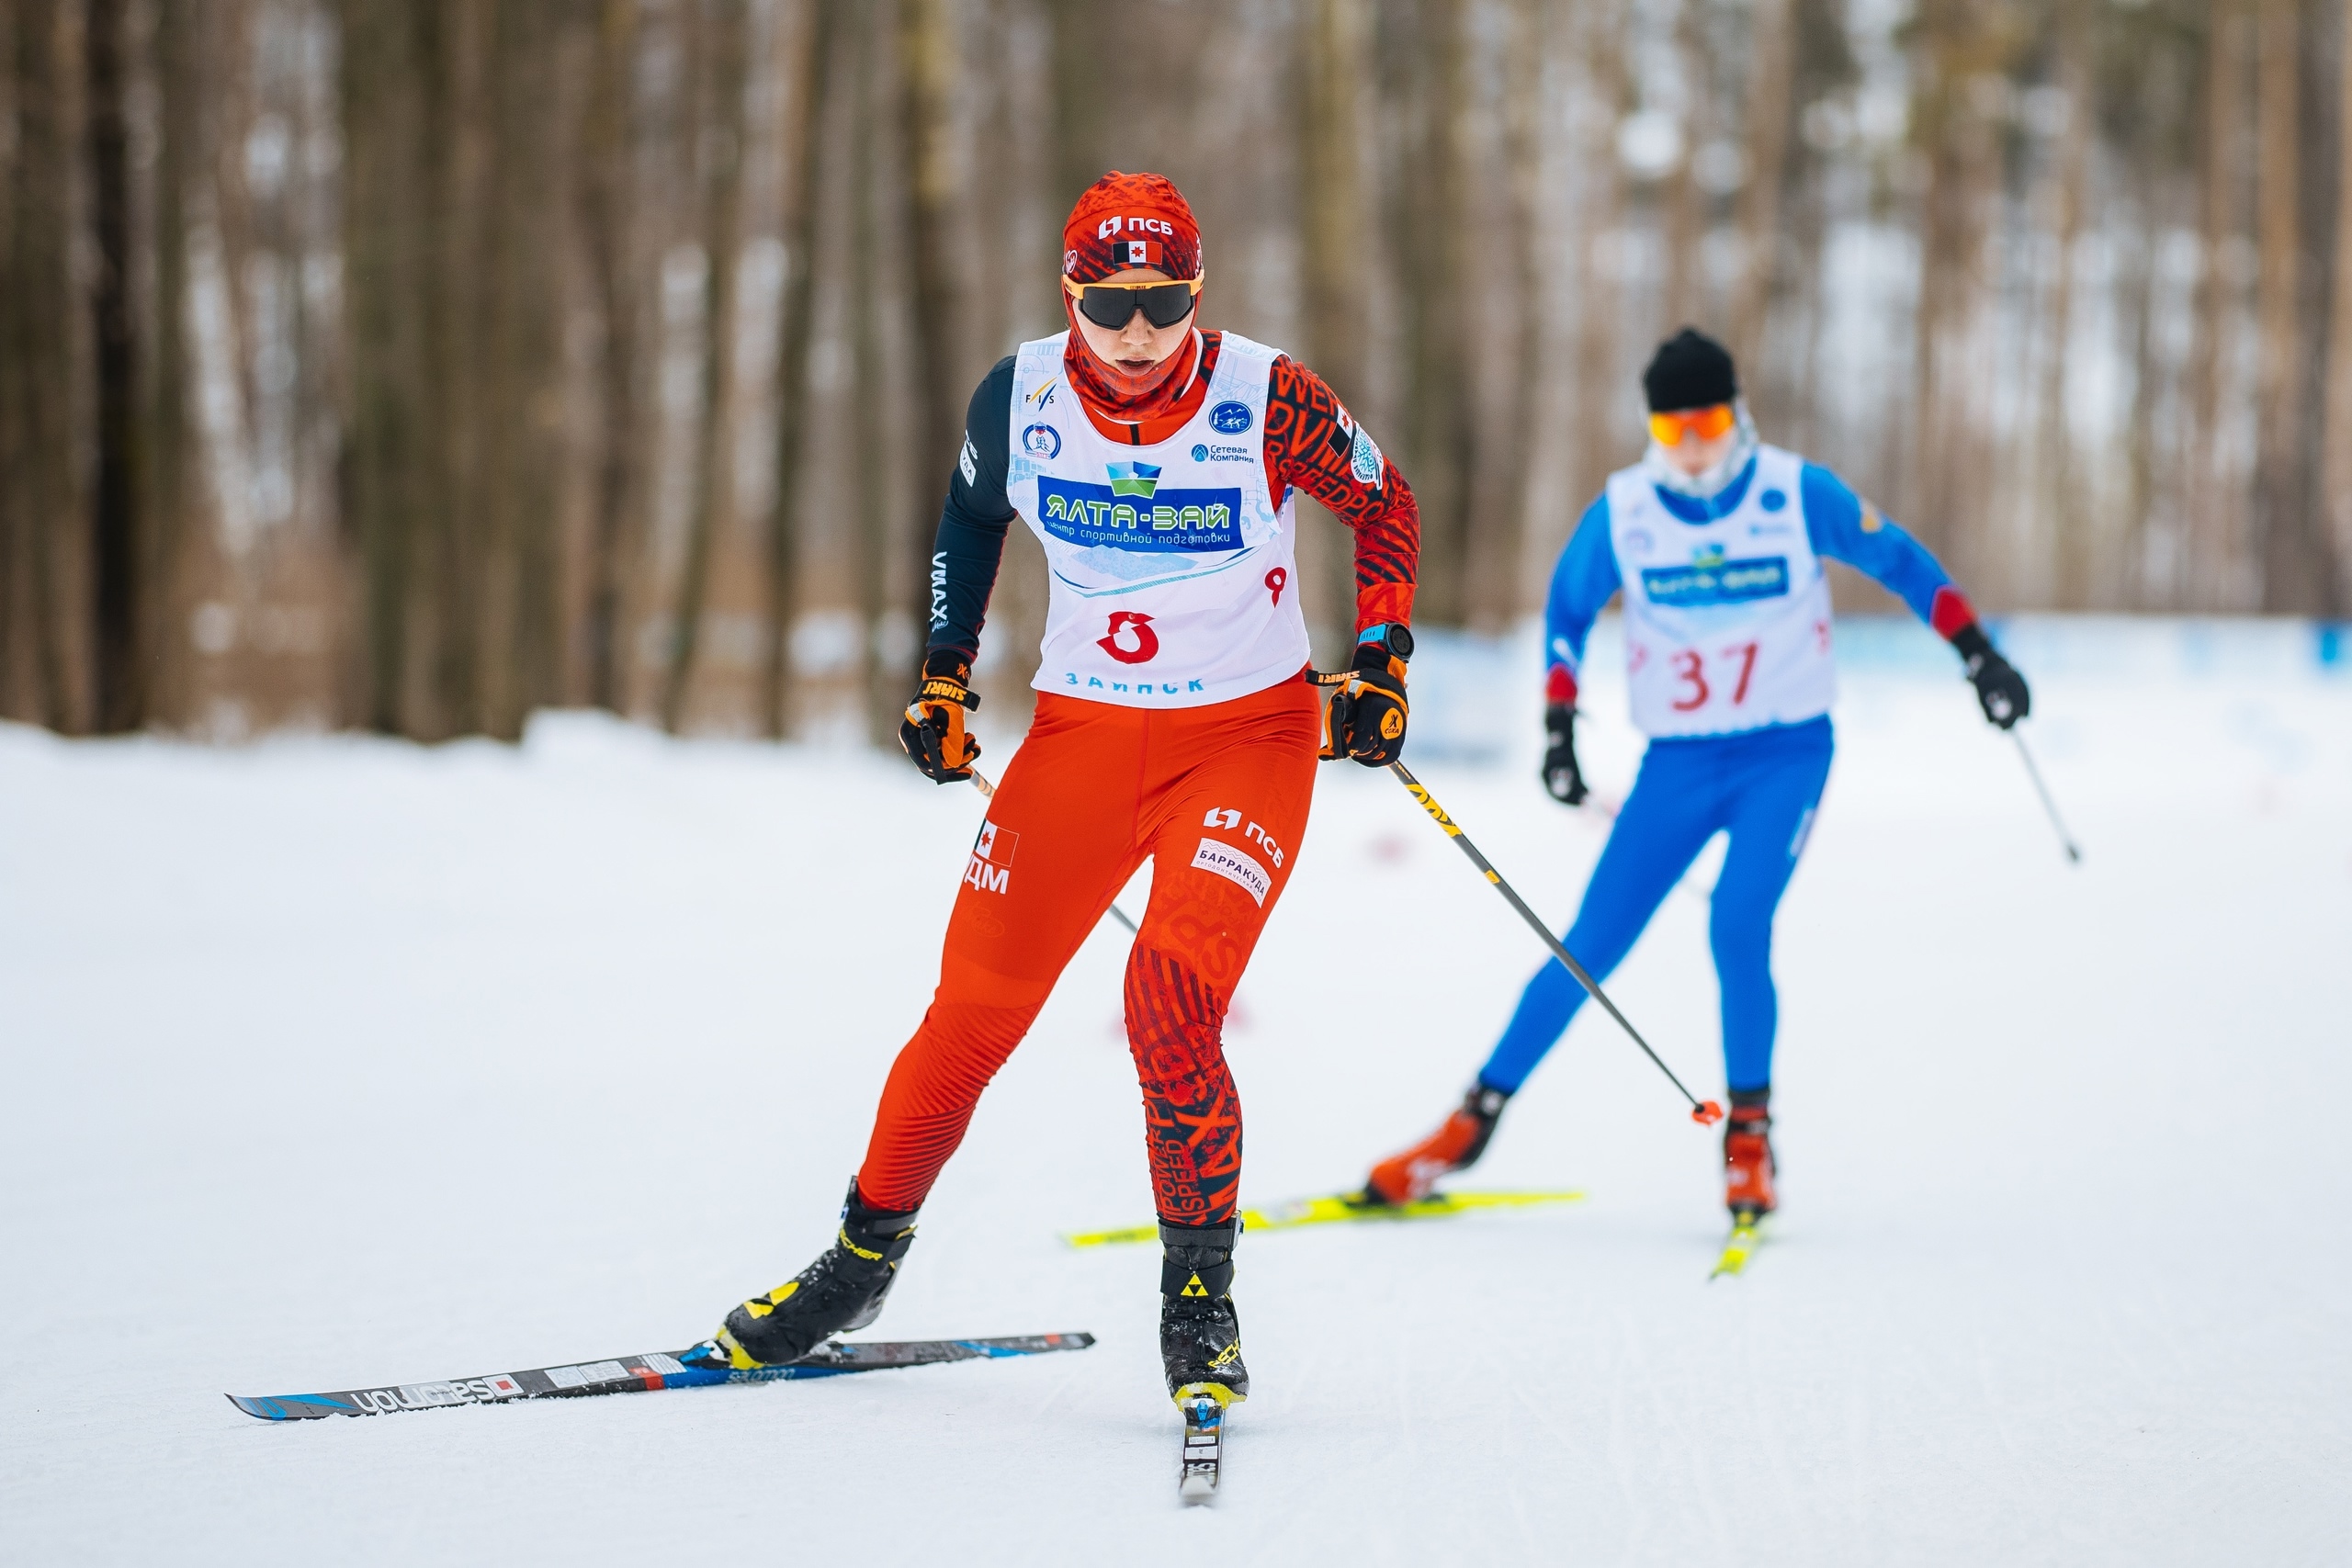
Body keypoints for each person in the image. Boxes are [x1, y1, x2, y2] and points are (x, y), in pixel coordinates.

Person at [686, 173, 1420, 1416]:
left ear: (1199, 293)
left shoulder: (1268, 396)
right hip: (1083, 735)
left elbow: (1381, 499)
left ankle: (1200, 1305)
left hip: (1246, 736)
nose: (1138, 334)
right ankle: (857, 1264)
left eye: (1166, 302)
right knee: (972, 1008)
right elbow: (971, 521)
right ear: (1069, 293)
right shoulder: (1017, 395)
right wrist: (942, 680)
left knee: (1170, 994)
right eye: (1112, 304)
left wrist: (1382, 659)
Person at [1358, 328, 2029, 1225]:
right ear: (1653, 431)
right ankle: (1469, 1122)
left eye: (1708, 422)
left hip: (1782, 757)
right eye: (1673, 430)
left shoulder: (1796, 491)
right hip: (1675, 763)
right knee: (1586, 946)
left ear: (1737, 415)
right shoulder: (1626, 509)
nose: (1694, 445)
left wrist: (1976, 653)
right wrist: (1559, 725)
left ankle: (1747, 1134)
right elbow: (1566, 610)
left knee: (1737, 918)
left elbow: (1901, 561)